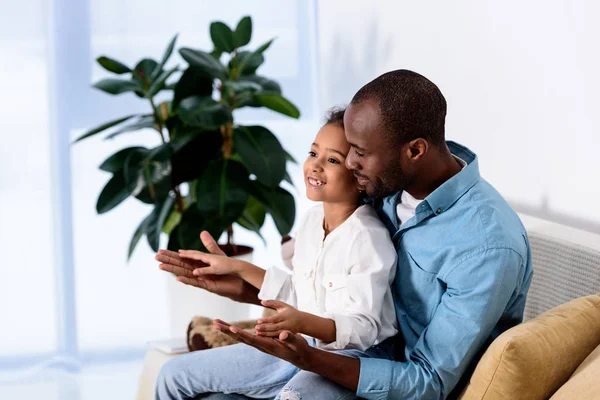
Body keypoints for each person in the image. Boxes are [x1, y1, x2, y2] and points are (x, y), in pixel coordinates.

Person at [157, 69, 534, 399]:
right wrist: (241, 283)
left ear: (415, 150)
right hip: (328, 350)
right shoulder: (387, 186)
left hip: (386, 378)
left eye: (359, 153)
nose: (350, 164)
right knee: (193, 386)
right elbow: (332, 292)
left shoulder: (487, 247)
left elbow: (427, 381)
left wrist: (310, 358)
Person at [155, 108, 399, 399]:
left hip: (351, 361)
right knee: (172, 375)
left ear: (360, 175)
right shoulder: (311, 221)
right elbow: (301, 294)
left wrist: (301, 322)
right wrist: (237, 267)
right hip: (299, 345)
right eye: (313, 153)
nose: (315, 166)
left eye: (332, 159)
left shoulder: (369, 238)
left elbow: (364, 328)